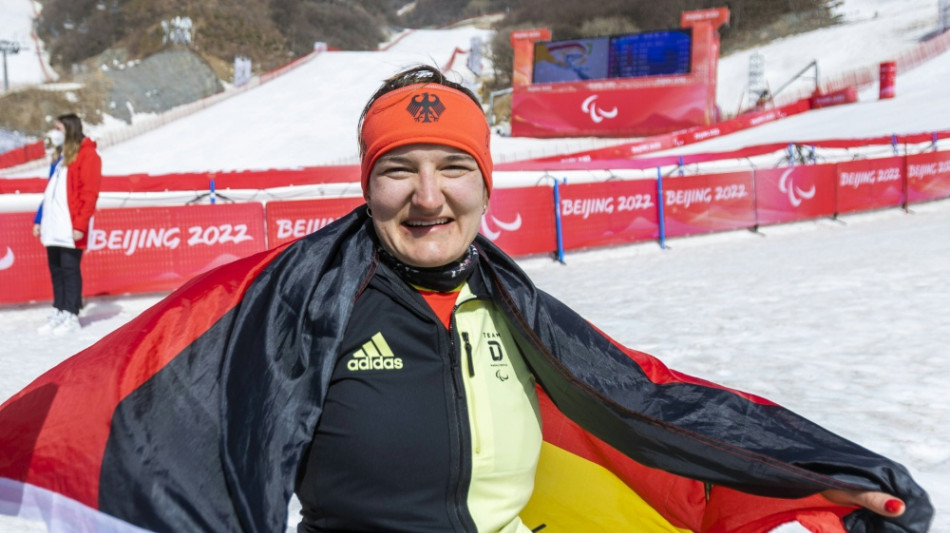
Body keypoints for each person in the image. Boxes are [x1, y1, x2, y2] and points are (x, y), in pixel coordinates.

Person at [0, 66, 933, 533]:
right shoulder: (302, 306)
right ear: (366, 184)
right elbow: (145, 406)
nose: (428, 195)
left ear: (484, 184)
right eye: (398, 170)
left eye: (453, 168)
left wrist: (814, 476)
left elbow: (650, 403)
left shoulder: (513, 303)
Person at [31, 113, 102, 335]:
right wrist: (39, 219)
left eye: (58, 128)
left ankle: (71, 313)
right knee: (56, 269)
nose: (55, 133)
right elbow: (50, 192)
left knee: (70, 269)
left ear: (69, 130)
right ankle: (59, 309)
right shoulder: (60, 158)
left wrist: (80, 225)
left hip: (70, 225)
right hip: (53, 224)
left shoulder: (88, 155)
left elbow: (89, 193)